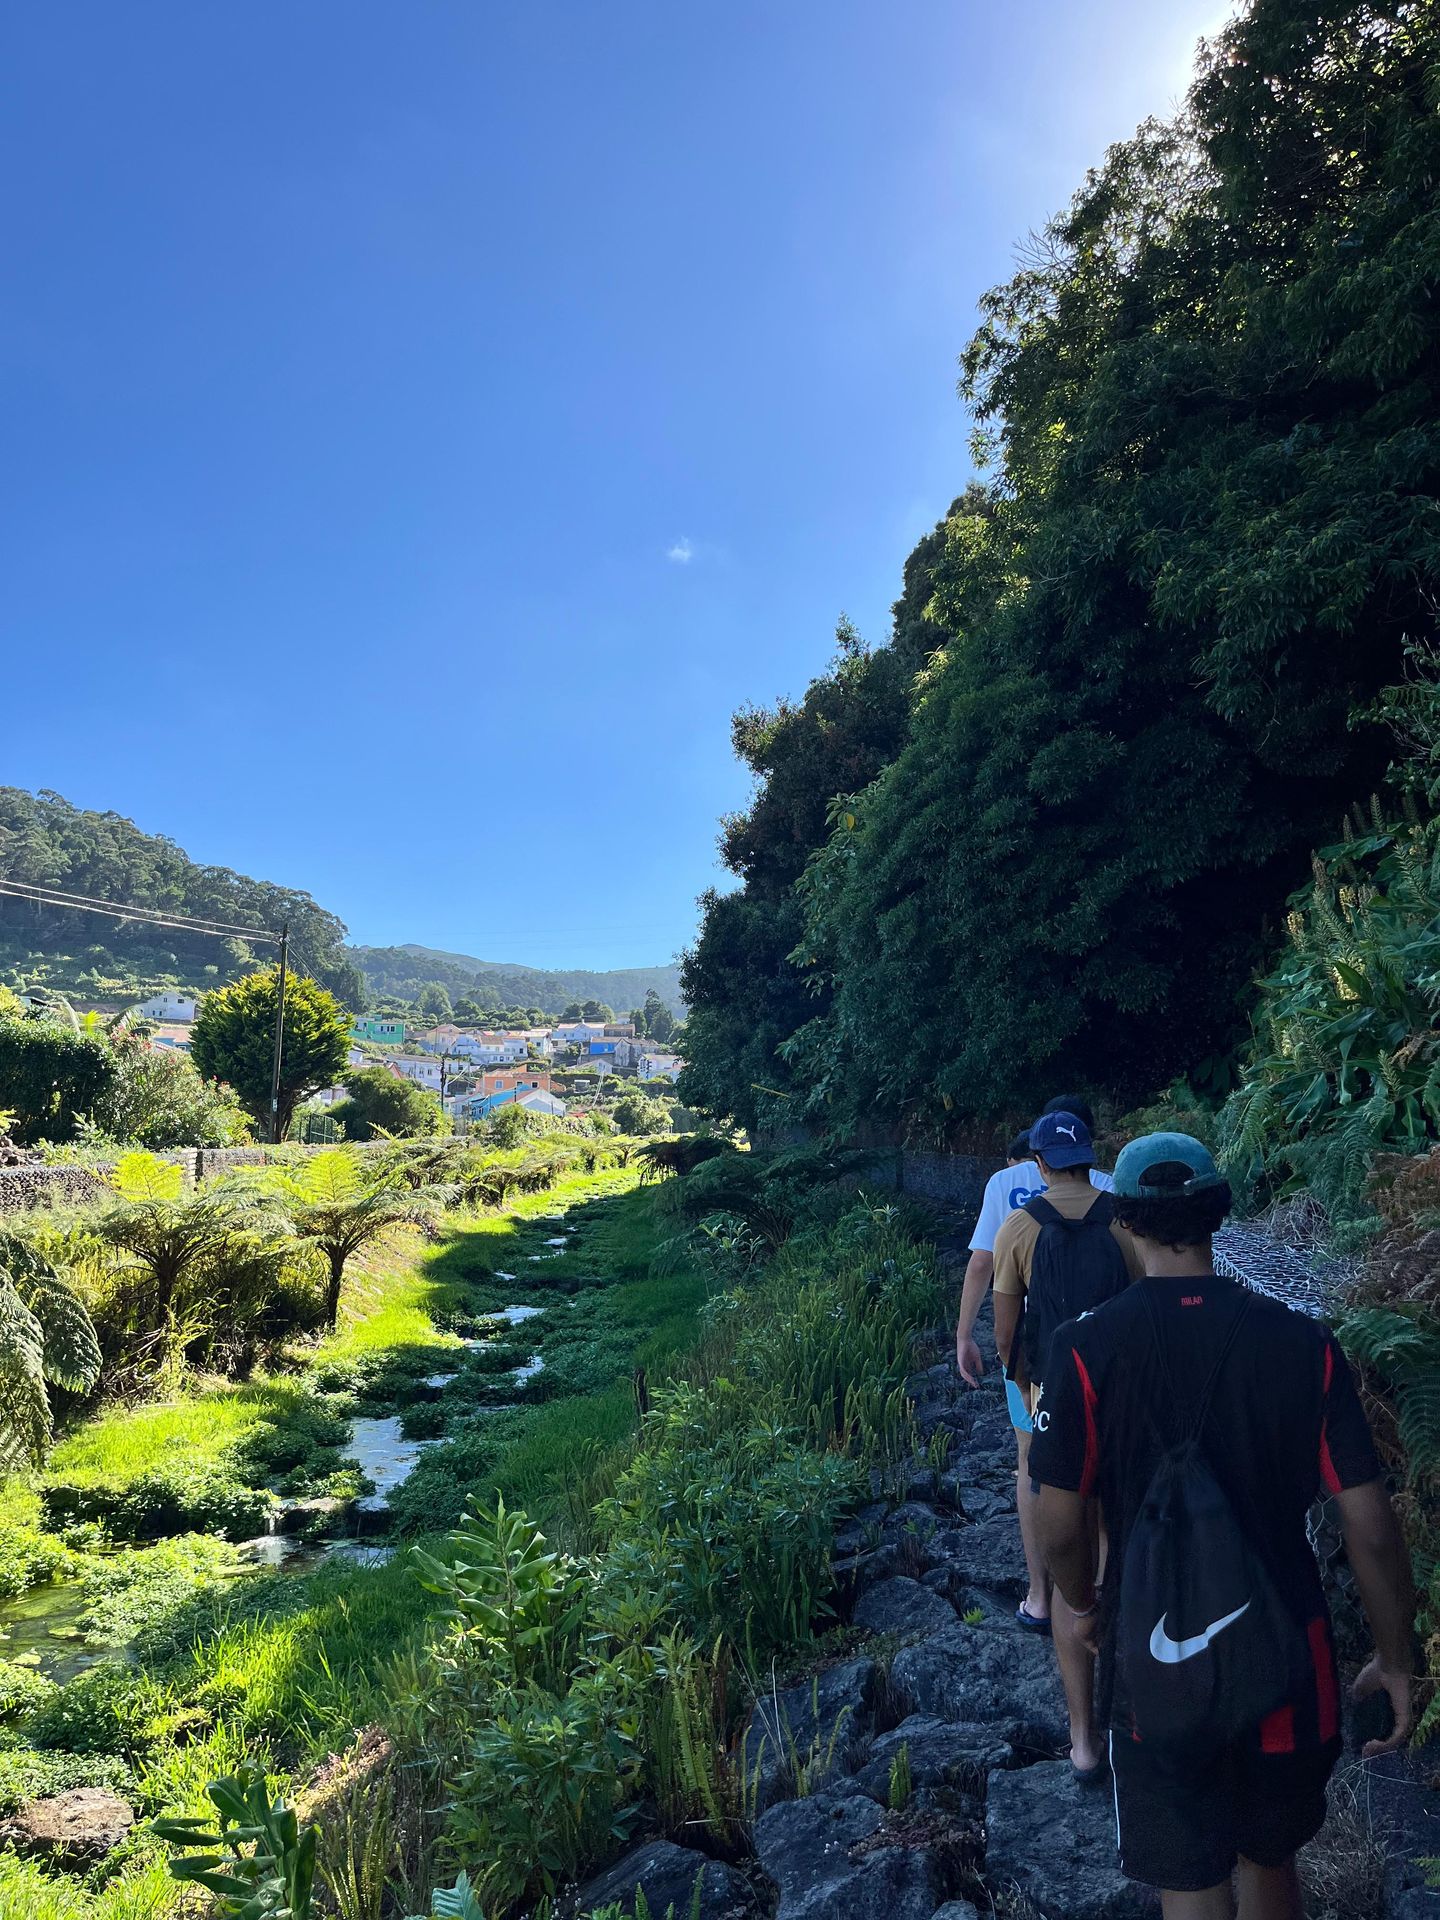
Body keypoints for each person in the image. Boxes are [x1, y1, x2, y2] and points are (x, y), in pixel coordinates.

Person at [1031, 1131, 1414, 1920]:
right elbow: (1370, 1524)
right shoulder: (1306, 1345)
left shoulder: (1083, 1351)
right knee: (1269, 1856)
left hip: (1157, 1657)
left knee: (1190, 1873)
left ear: (1124, 1222)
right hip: (1287, 1658)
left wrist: (1082, 1602)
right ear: (1219, 1214)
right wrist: (1396, 1655)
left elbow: (1059, 1523)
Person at [992, 1108, 1142, 1780]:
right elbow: (1148, 1311)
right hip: (1124, 1403)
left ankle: (1083, 1742)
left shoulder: (1019, 1227)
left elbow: (1004, 1333)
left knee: (1068, 1567)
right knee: (1117, 1541)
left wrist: (1024, 1387)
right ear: (1088, 1158)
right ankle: (1133, 1701)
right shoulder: (1127, 1221)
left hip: (1055, 1404)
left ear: (1040, 1164)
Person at [954, 1096, 1115, 1630]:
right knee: (1108, 1475)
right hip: (1112, 1366)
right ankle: (1105, 1591)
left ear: (1039, 1160)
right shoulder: (1116, 1202)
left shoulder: (1013, 1209)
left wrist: (1012, 1375)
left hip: (1042, 1368)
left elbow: (994, 1300)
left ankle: (1044, 1597)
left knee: (1037, 1472)